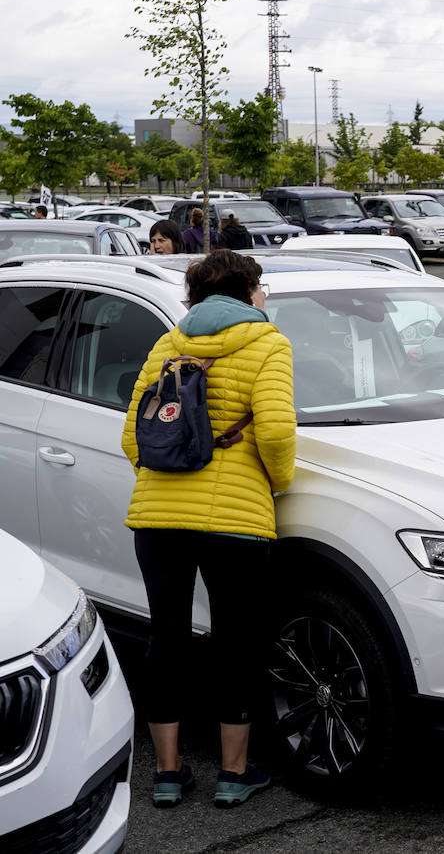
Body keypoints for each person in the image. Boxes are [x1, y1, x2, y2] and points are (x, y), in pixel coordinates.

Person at [121, 248, 295, 809]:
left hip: (157, 516)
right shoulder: (269, 344)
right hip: (235, 521)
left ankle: (168, 774)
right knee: (235, 639)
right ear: (247, 292)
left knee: (165, 637)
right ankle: (232, 773)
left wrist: (170, 473)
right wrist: (277, 483)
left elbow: (133, 436)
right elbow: (273, 432)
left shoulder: (169, 344)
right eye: (260, 286)